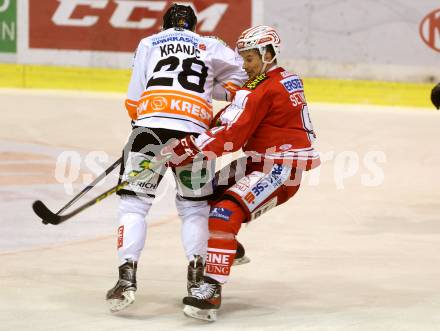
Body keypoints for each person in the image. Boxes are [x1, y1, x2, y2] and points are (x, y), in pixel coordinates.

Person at [161, 25, 321, 321]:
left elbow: (233, 134)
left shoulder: (259, 88)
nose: (244, 66)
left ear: (269, 54)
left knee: (223, 214)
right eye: (243, 59)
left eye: (249, 59)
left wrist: (190, 147)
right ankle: (228, 247)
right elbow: (237, 115)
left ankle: (212, 289)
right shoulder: (285, 78)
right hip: (261, 161)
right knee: (202, 199)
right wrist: (205, 130)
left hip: (280, 168)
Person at [105, 3, 248, 313]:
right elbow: (242, 75)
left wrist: (140, 128)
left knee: (134, 205)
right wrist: (212, 91)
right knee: (195, 207)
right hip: (194, 137)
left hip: (149, 132)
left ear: (164, 24)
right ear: (194, 25)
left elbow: (133, 99)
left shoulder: (148, 43)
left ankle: (126, 279)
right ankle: (197, 279)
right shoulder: (210, 45)